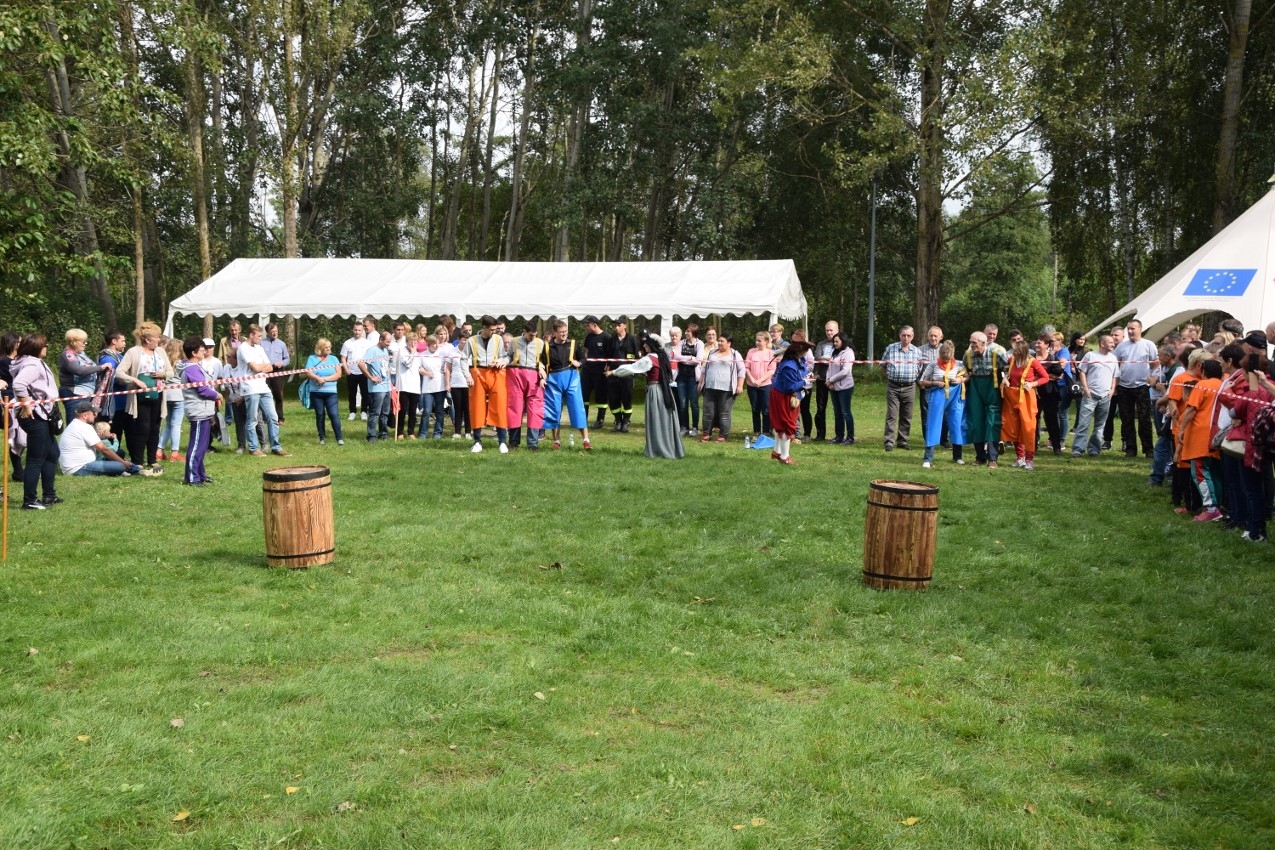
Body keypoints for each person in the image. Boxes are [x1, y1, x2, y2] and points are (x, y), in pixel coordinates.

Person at [606, 334, 684, 459]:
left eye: (646, 343)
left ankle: (659, 449)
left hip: (655, 391)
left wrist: (613, 372)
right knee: (665, 420)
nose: (644, 345)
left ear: (651, 345)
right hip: (665, 391)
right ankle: (670, 447)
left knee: (657, 419)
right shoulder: (662, 357)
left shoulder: (649, 359)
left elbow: (632, 368)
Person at [11, 333, 62, 508]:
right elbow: (19, 384)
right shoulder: (32, 364)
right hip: (35, 416)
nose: (46, 348)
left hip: (42, 414)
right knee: (35, 459)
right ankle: (30, 500)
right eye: (44, 345)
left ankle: (49, 495)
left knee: (52, 454)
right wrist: (26, 406)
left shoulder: (32, 361)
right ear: (37, 348)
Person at [116, 323, 173, 474]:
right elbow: (119, 372)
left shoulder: (160, 351)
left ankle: (152, 459)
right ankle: (138, 461)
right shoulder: (133, 352)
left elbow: (171, 372)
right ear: (147, 340)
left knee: (155, 427)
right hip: (140, 396)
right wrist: (135, 380)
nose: (159, 340)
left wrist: (163, 374)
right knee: (142, 428)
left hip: (158, 394)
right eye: (156, 337)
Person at [1175, 358, 1225, 522]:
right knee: (1215, 473)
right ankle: (1217, 506)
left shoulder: (1203, 385)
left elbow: (1191, 409)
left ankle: (1211, 509)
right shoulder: (1223, 385)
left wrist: (1182, 429)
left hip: (1201, 436)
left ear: (1203, 371)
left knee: (1200, 472)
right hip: (1218, 434)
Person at [237, 324, 289, 457]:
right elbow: (254, 368)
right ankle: (253, 448)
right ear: (251, 335)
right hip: (250, 388)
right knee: (252, 419)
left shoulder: (259, 348)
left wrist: (260, 367)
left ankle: (276, 447)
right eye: (259, 336)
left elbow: (270, 367)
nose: (261, 339)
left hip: (263, 387)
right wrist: (260, 367)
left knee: (273, 417)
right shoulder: (243, 348)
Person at [543, 318, 593, 450]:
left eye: (566, 331)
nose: (564, 334)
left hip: (572, 379)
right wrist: (542, 376)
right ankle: (556, 440)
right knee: (554, 410)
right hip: (554, 380)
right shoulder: (547, 347)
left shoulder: (574, 344)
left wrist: (579, 363)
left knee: (578, 408)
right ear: (554, 333)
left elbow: (583, 358)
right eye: (561, 332)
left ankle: (586, 440)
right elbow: (542, 364)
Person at [1001, 338, 1051, 469]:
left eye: (1016, 350)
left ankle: (1029, 459)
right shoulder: (1012, 360)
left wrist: (1033, 384)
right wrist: (1005, 378)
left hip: (1027, 397)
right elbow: (1005, 372)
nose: (1013, 352)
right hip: (1012, 396)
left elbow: (1045, 377)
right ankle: (1020, 457)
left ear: (1022, 351)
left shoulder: (1032, 362)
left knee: (1028, 427)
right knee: (1014, 427)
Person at [58, 401, 143, 477]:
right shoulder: (83, 427)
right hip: (79, 468)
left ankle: (130, 467)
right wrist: (123, 463)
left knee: (119, 453)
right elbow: (103, 450)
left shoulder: (77, 425)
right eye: (93, 413)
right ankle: (131, 468)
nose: (95, 415)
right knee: (120, 466)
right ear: (85, 415)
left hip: (78, 465)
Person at [179, 337, 221, 484]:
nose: (205, 351)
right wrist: (217, 395)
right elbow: (202, 389)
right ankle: (192, 478)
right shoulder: (191, 368)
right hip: (198, 411)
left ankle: (200, 475)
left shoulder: (195, 366)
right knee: (196, 446)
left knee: (202, 447)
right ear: (194, 352)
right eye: (202, 349)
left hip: (204, 411)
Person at [1114, 319, 1158, 457]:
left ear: (1140, 329)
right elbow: (1115, 364)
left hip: (1142, 387)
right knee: (1127, 419)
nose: (1130, 331)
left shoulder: (1148, 344)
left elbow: (1155, 363)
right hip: (1124, 387)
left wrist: (1151, 377)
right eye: (1128, 329)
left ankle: (1148, 449)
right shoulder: (1121, 346)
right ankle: (1130, 449)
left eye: (1133, 328)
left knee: (1144, 419)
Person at [919, 340, 967, 468]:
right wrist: (934, 383)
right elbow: (922, 381)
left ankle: (957, 456)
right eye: (944, 359)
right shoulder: (933, 364)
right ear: (940, 355)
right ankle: (928, 458)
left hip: (955, 396)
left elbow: (968, 376)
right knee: (933, 424)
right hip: (938, 395)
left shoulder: (958, 364)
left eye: (948, 359)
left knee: (956, 424)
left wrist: (960, 379)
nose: (945, 361)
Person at [1071, 334, 1119, 458]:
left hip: (1105, 396)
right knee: (1083, 423)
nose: (1113, 344)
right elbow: (1082, 372)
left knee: (1100, 425)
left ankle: (1094, 449)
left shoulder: (1113, 358)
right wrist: (1086, 389)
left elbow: (1115, 376)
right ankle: (1078, 449)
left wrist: (1112, 390)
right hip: (1090, 395)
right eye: (1110, 342)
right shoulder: (1090, 355)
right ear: (1102, 344)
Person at [963, 331, 1007, 466]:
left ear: (983, 343)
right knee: (975, 423)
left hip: (992, 389)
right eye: (970, 343)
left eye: (974, 343)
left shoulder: (997, 353)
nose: (971, 346)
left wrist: (1006, 378)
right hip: (975, 390)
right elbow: (965, 371)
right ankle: (980, 457)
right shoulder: (967, 355)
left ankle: (992, 458)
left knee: (992, 422)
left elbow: (1008, 369)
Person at [467, 315, 510, 453]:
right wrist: (467, 375)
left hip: (495, 373)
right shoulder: (472, 340)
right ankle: (477, 442)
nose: (494, 332)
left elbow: (504, 356)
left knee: (499, 406)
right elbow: (462, 359)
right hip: (478, 372)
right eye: (491, 329)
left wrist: (500, 362)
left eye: (495, 329)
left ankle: (502, 442)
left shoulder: (498, 339)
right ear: (484, 327)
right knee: (477, 406)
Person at [768, 340, 813, 465]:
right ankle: (784, 457)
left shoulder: (796, 361)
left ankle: (777, 451)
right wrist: (805, 381)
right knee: (786, 424)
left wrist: (806, 374)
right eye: (805, 350)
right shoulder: (789, 365)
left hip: (779, 393)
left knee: (780, 424)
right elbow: (790, 387)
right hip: (783, 396)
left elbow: (801, 371)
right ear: (798, 351)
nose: (807, 352)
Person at [507, 320, 548, 450]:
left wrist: (542, 371)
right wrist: (504, 361)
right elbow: (508, 356)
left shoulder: (540, 343)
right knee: (515, 409)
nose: (533, 337)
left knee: (535, 410)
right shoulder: (514, 342)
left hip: (534, 378)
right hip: (516, 377)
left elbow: (544, 361)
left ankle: (532, 444)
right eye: (531, 335)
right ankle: (513, 442)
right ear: (524, 332)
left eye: (535, 335)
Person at [881, 326, 922, 451]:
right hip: (893, 386)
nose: (906, 338)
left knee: (907, 415)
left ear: (912, 337)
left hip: (909, 387)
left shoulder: (917, 352)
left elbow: (919, 369)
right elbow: (883, 366)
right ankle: (889, 442)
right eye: (904, 335)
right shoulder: (890, 348)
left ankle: (903, 441)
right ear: (900, 335)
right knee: (892, 415)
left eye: (908, 335)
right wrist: (890, 376)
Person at [57, 328, 110, 423]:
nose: (85, 344)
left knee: (84, 424)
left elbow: (90, 368)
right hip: (75, 393)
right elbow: (78, 370)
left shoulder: (81, 353)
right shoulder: (68, 354)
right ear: (73, 342)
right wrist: (100, 368)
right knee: (76, 424)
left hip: (85, 393)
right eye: (83, 341)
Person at [699, 333, 744, 442]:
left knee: (724, 413)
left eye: (722, 341)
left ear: (729, 343)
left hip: (727, 389)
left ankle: (723, 435)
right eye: (719, 341)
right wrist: (700, 382)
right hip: (710, 387)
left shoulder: (735, 354)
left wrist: (740, 385)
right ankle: (706, 433)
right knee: (708, 412)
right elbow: (704, 368)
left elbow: (742, 370)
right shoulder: (712, 352)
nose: (719, 343)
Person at [305, 338, 344, 445]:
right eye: (326, 347)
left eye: (329, 347)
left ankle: (339, 438)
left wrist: (325, 379)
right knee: (320, 414)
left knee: (333, 414)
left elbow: (338, 374)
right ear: (320, 348)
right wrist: (317, 379)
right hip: (316, 392)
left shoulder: (334, 359)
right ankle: (322, 437)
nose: (328, 349)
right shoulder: (312, 358)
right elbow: (308, 372)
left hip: (331, 392)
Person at [606, 317, 640, 432]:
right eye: (615, 325)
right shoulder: (611, 340)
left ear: (625, 325)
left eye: (619, 325)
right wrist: (607, 368)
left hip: (627, 373)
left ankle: (626, 421)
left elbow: (636, 357)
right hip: (613, 373)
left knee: (627, 398)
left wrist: (634, 372)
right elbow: (608, 356)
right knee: (613, 398)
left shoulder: (632, 339)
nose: (616, 327)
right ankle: (618, 421)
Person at [670, 324, 703, 436]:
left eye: (688, 331)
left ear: (693, 332)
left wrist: (684, 359)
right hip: (681, 377)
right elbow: (676, 357)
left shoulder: (699, 344)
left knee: (694, 403)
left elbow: (698, 359)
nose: (685, 333)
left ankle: (695, 427)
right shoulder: (681, 343)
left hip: (693, 377)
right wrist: (690, 358)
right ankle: (684, 427)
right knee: (683, 403)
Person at [157, 336, 186, 463]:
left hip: (166, 395)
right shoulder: (182, 364)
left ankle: (159, 451)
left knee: (168, 424)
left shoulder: (163, 362)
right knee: (176, 425)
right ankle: (174, 453)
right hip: (179, 395)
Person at [416, 332, 450, 439]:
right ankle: (423, 433)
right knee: (426, 411)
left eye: (437, 343)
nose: (436, 345)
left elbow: (447, 366)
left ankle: (438, 433)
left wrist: (446, 372)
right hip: (427, 387)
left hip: (440, 386)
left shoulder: (442, 354)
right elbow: (419, 368)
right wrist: (426, 372)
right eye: (434, 343)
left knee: (439, 410)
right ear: (429, 344)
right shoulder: (422, 355)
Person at [744, 330, 776, 438]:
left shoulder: (771, 353)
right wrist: (752, 380)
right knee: (755, 408)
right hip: (751, 385)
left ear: (766, 341)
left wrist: (760, 380)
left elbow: (771, 370)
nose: (757, 342)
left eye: (759, 340)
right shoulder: (751, 352)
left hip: (766, 385)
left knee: (766, 409)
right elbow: (746, 367)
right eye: (756, 340)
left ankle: (766, 431)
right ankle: (756, 431)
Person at [915, 325, 944, 448]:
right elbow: (916, 369)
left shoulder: (945, 349)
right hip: (926, 387)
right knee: (926, 414)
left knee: (943, 414)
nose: (933, 338)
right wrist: (919, 383)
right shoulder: (919, 350)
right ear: (927, 336)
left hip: (942, 387)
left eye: (935, 336)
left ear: (941, 337)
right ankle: (928, 439)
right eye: (931, 336)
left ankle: (943, 440)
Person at [826, 331, 856, 445]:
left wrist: (831, 380)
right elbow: (829, 367)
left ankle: (850, 437)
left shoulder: (849, 353)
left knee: (845, 412)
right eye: (834, 342)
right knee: (837, 413)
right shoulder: (834, 353)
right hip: (833, 387)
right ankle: (839, 436)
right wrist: (828, 381)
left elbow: (845, 371)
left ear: (843, 341)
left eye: (837, 341)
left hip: (845, 387)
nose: (835, 343)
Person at [811, 321, 839, 441]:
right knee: (820, 408)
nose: (829, 332)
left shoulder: (840, 343)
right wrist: (825, 358)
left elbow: (840, 359)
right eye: (827, 330)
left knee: (838, 408)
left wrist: (828, 359)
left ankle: (839, 435)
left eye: (831, 330)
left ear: (837, 330)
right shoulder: (821, 344)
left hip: (836, 379)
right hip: (822, 379)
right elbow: (817, 357)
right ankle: (820, 434)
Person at [582, 316, 611, 429]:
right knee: (584, 395)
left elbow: (610, 354)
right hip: (587, 371)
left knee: (601, 395)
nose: (586, 327)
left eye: (588, 325)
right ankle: (583, 419)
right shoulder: (589, 337)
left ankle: (600, 420)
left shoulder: (606, 337)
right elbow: (586, 351)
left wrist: (607, 367)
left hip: (600, 372)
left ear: (594, 325)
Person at [340, 320, 372, 421]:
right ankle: (352, 412)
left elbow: (371, 357)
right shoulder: (347, 343)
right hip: (351, 372)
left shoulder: (367, 343)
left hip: (364, 372)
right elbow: (343, 358)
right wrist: (346, 370)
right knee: (352, 394)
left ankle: (364, 412)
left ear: (362, 331)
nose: (357, 332)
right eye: (355, 330)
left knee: (365, 393)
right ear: (352, 330)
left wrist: (369, 371)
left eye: (359, 330)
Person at [363, 330, 392, 442]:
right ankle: (372, 435)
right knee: (375, 412)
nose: (389, 344)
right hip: (376, 388)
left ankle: (383, 434)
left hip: (387, 386)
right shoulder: (372, 350)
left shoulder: (386, 351)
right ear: (381, 340)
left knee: (385, 413)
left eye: (390, 342)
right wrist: (371, 377)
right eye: (387, 341)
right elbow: (361, 363)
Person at [0, 332, 22, 481]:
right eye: (20, 342)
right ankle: (18, 471)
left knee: (21, 435)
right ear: (12, 343)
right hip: (10, 401)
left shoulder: (18, 360)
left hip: (19, 400)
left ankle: (19, 470)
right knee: (15, 435)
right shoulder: (4, 361)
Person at [394, 332, 423, 439]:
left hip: (415, 386)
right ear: (406, 342)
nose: (413, 344)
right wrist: (412, 353)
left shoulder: (418, 354)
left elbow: (419, 368)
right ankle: (400, 432)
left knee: (413, 411)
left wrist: (427, 372)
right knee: (402, 410)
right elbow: (407, 364)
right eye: (411, 341)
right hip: (403, 385)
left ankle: (411, 432)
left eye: (415, 342)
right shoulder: (401, 351)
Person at [261, 323, 291, 425]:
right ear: (267, 332)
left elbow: (287, 358)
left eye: (276, 331)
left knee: (278, 394)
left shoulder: (281, 344)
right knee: (265, 394)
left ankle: (280, 418)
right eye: (272, 331)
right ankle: (264, 418)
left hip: (278, 371)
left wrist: (282, 363)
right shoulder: (261, 343)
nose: (275, 333)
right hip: (265, 371)